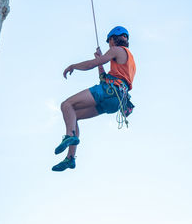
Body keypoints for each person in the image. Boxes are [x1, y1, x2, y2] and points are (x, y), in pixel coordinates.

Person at [52, 26, 136, 172]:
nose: (109, 46)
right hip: (115, 101)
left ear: (113, 38)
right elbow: (105, 76)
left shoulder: (116, 50)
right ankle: (70, 158)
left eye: (109, 42)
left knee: (66, 105)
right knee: (73, 116)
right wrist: (101, 60)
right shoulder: (130, 60)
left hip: (109, 91)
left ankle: (68, 136)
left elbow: (91, 64)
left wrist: (74, 66)